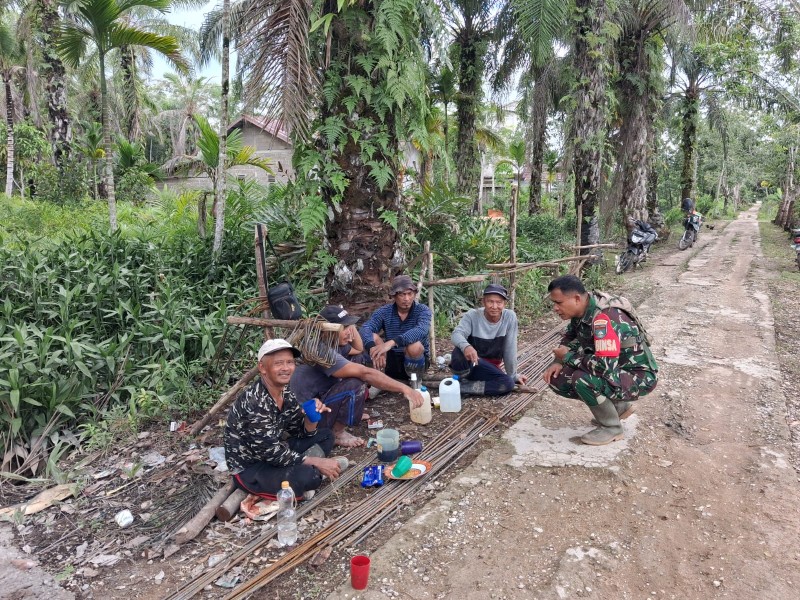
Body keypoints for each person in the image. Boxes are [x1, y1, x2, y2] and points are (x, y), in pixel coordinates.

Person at [542, 275, 659, 445]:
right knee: (557, 379)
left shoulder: (604, 319)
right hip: (616, 370)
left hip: (639, 377)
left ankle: (611, 427)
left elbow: (603, 367)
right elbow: (570, 336)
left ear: (576, 299)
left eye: (559, 303)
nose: (555, 308)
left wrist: (567, 357)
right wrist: (558, 362)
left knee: (582, 379)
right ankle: (618, 408)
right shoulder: (582, 310)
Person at [224, 339, 343, 501]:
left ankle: (307, 468)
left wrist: (312, 416)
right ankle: (310, 472)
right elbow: (272, 455)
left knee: (327, 435)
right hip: (251, 467)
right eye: (278, 363)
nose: (286, 368)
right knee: (309, 476)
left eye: (290, 362)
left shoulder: (285, 391)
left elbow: (299, 432)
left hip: (278, 449)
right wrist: (315, 461)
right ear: (262, 368)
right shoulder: (254, 402)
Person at [291, 304, 425, 448]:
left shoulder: (334, 342)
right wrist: (405, 388)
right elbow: (365, 373)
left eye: (350, 326)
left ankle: (348, 414)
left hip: (321, 401)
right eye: (344, 328)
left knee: (357, 358)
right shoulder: (320, 350)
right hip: (308, 419)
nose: (350, 332)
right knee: (355, 384)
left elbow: (358, 349)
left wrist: (348, 324)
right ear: (327, 330)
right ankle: (337, 433)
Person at [448, 283, 529, 396]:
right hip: (471, 364)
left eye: (499, 302)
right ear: (483, 302)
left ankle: (462, 387)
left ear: (504, 304)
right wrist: (467, 347)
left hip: (489, 369)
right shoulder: (472, 315)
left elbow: (510, 349)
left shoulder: (509, 317)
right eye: (490, 301)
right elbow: (456, 334)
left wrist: (513, 375)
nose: (494, 306)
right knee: (458, 351)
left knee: (507, 383)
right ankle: (464, 381)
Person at [359, 274, 432, 380]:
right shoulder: (384, 312)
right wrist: (372, 347)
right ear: (394, 296)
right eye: (402, 295)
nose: (406, 299)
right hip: (391, 359)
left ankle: (415, 381)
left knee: (414, 346)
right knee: (372, 337)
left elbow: (421, 330)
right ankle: (378, 378)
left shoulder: (422, 310)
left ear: (414, 294)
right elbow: (366, 328)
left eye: (410, 294)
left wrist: (393, 342)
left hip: (416, 360)